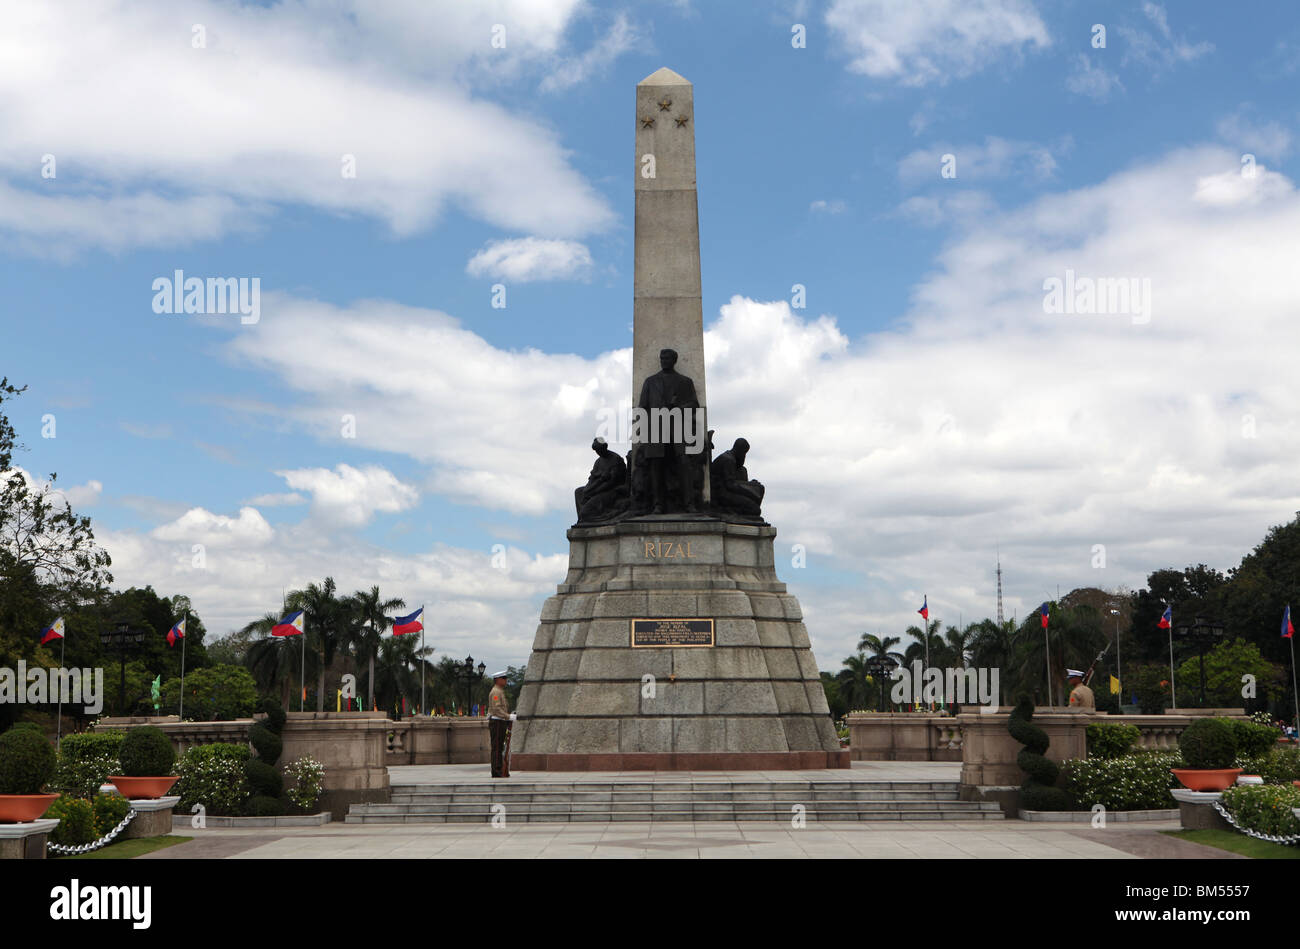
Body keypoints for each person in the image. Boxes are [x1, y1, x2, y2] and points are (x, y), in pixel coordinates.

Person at [487, 670, 516, 778]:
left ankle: (499, 769)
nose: (505, 680)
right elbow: (496, 708)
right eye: (504, 678)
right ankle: (497, 770)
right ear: (498, 680)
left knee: (499, 747)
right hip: (497, 722)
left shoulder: (499, 691)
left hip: (500, 721)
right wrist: (508, 716)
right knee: (497, 747)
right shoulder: (495, 692)